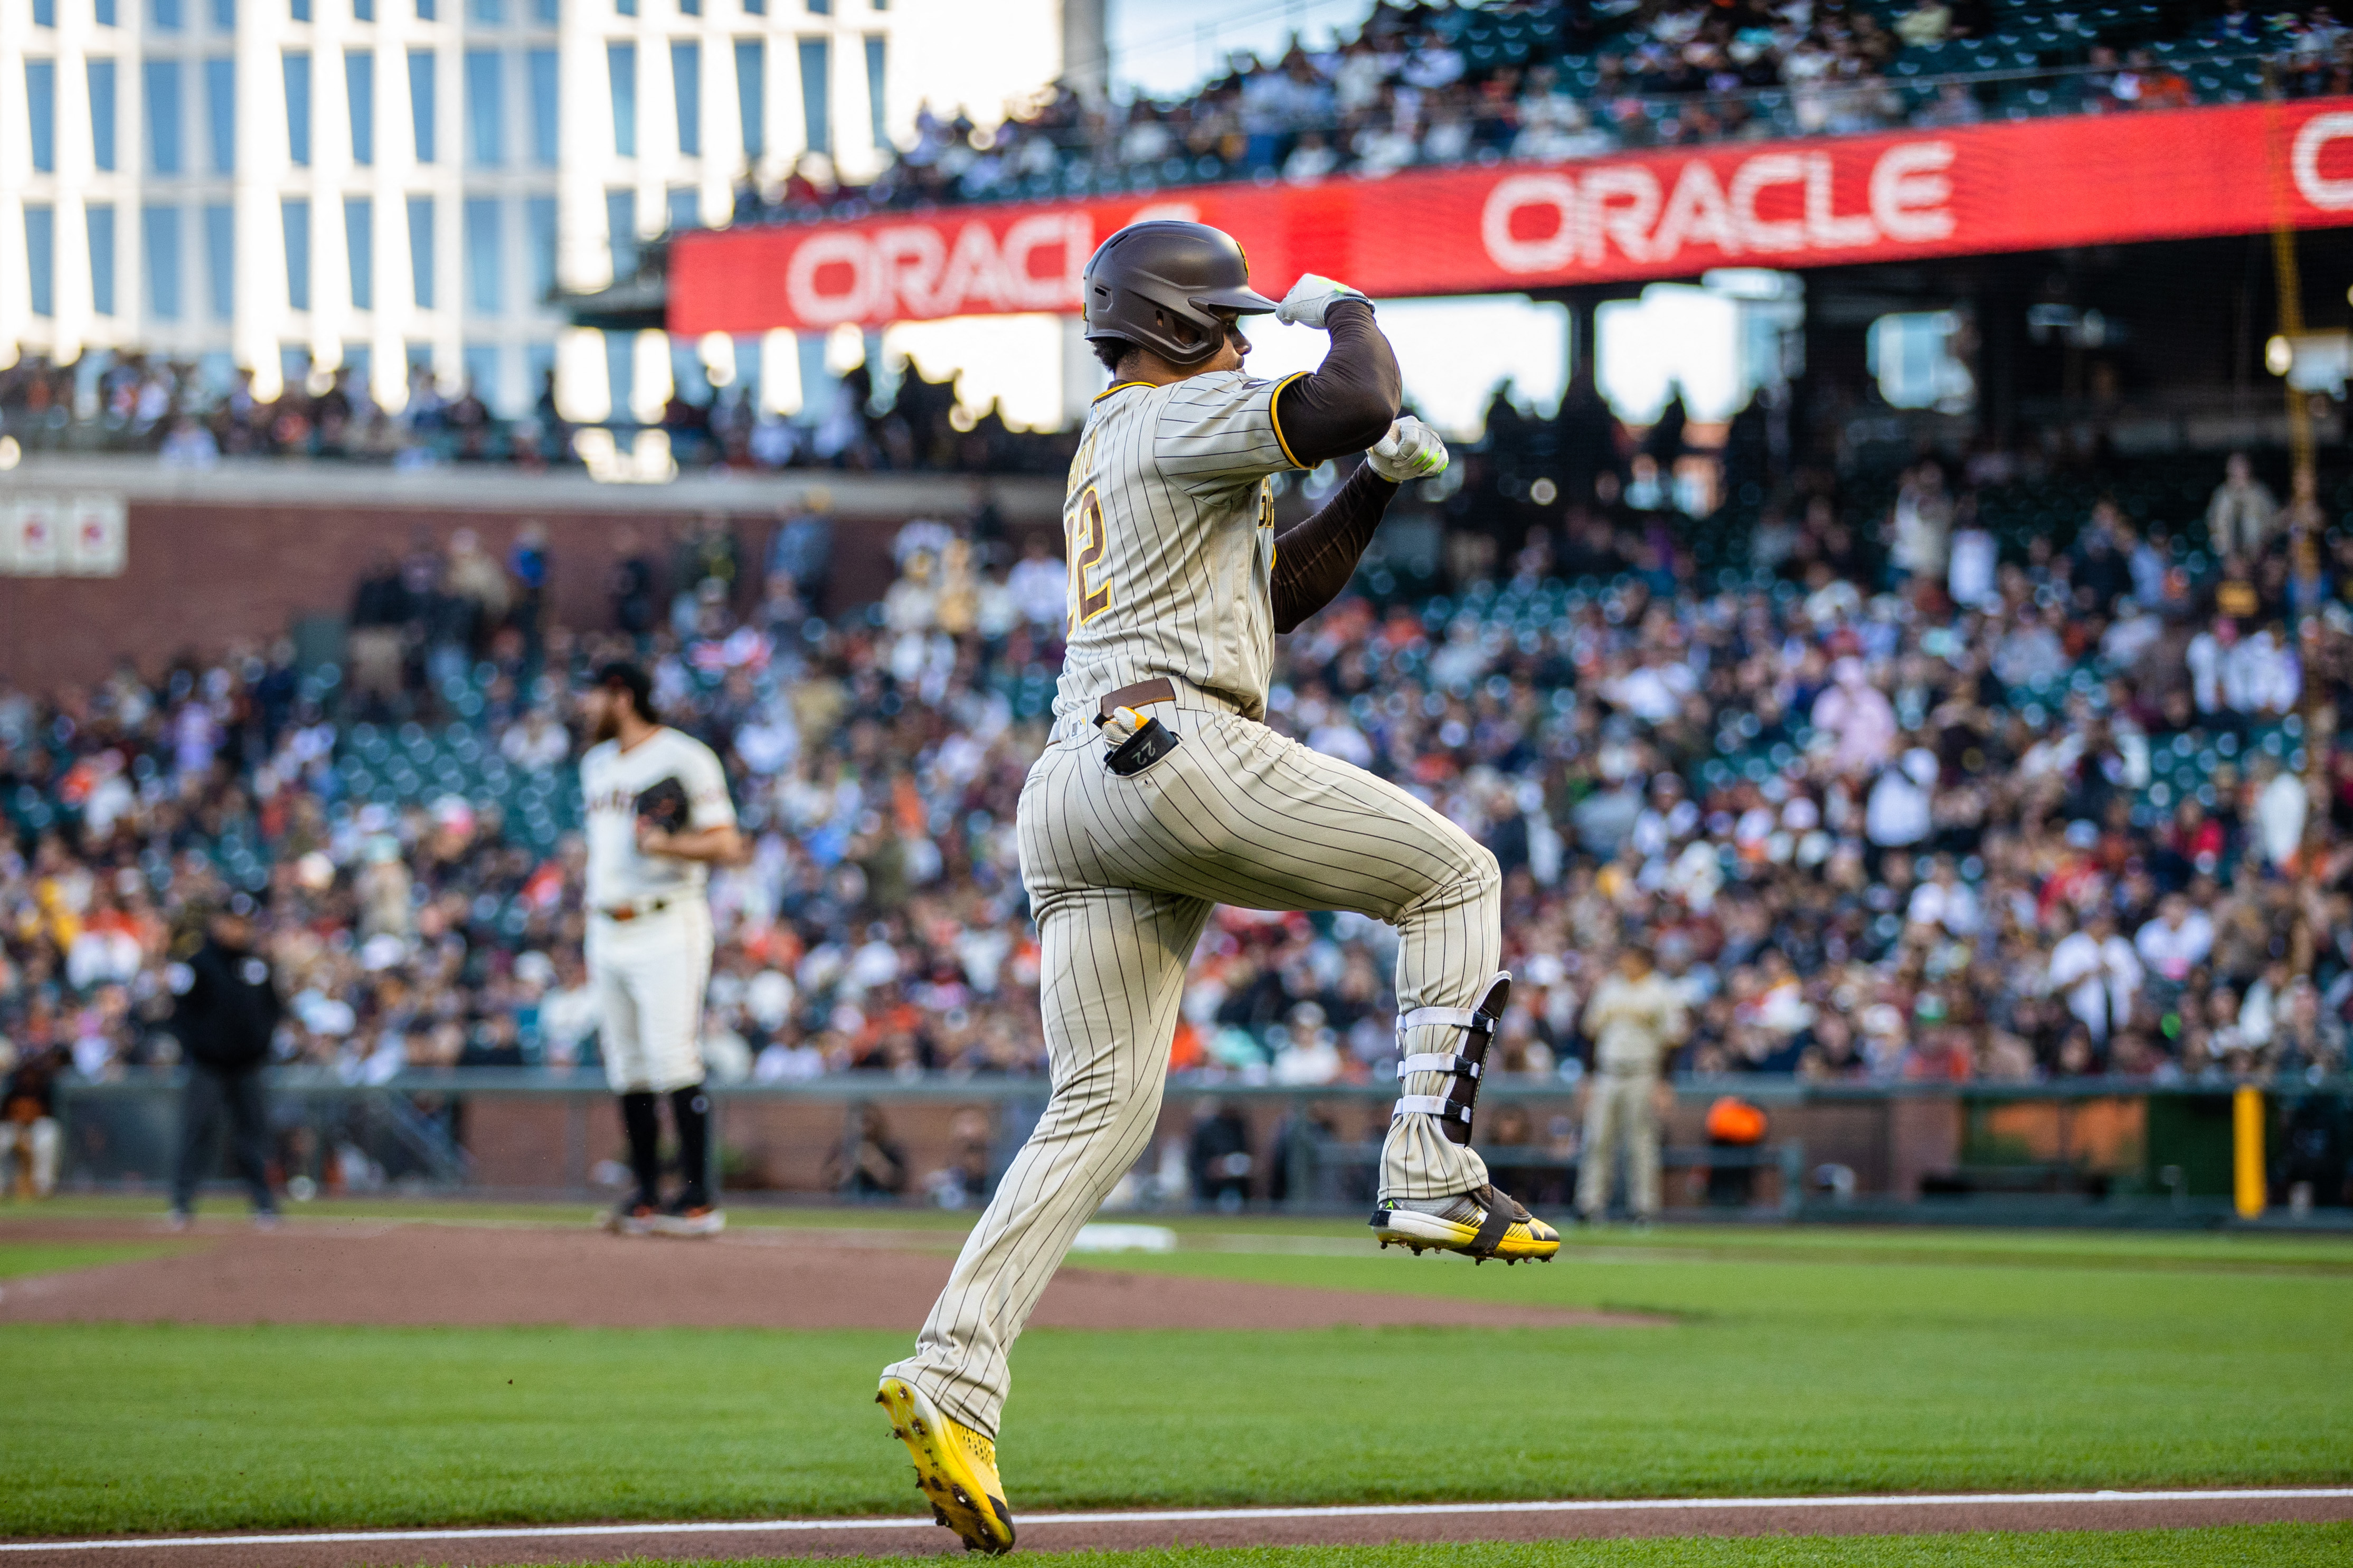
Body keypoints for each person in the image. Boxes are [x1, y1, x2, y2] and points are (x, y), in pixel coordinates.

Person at [875, 220, 1556, 1557]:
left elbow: (1274, 593)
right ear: (1175, 322)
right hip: (1170, 746)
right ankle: (1428, 1162)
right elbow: (1355, 388)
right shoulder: (1179, 407)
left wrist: (1365, 490)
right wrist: (1346, 309)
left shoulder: (1133, 436)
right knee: (1455, 875)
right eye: (1226, 317)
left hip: (1079, 782)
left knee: (1101, 1110)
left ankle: (952, 1375)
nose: (1246, 337)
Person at [578, 661, 746, 1238]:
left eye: (593, 693)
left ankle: (699, 1199)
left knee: (672, 1056)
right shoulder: (595, 765)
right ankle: (647, 1193)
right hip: (605, 925)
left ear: (621, 695)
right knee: (626, 1062)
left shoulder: (684, 756)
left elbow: (728, 843)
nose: (585, 706)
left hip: (667, 920)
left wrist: (668, 843)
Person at [166, 892, 284, 1228]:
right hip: (208, 1065)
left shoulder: (258, 965)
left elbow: (273, 1009)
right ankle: (182, 1202)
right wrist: (199, 1047)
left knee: (254, 1135)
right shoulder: (200, 963)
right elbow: (182, 1014)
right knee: (197, 1130)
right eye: (232, 922)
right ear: (218, 923)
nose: (238, 930)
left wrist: (261, 1045)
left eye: (244, 923)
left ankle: (264, 1203)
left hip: (249, 1065)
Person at [1576, 942, 1688, 1226]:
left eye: (1629, 957)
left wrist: (1665, 1082)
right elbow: (1590, 1035)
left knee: (1642, 1143)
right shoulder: (1608, 988)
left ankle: (1644, 1209)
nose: (1624, 962)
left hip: (1644, 1073)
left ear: (1643, 960)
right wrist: (1587, 1078)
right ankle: (1590, 1205)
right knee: (1597, 1139)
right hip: (1607, 1072)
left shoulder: (1661, 990)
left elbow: (1673, 1042)